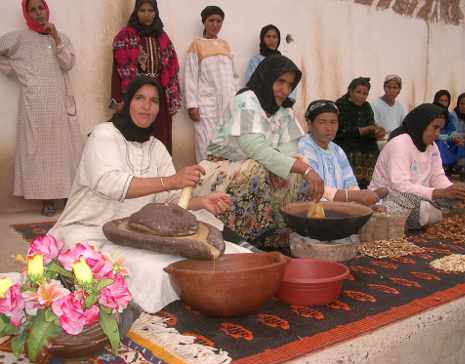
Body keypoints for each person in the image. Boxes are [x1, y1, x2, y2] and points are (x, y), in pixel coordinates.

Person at [49, 77, 248, 313]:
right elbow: (110, 184)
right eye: (139, 98)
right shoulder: (103, 134)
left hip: (136, 232)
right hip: (88, 230)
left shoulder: (157, 147)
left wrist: (200, 201)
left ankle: (247, 256)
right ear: (127, 103)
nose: (147, 106)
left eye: (154, 101)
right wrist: (171, 181)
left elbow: (170, 200)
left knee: (199, 245)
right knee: (154, 272)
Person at [193, 55, 324, 247]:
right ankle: (246, 237)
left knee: (297, 169)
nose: (284, 90)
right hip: (219, 169)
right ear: (267, 77)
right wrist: (302, 169)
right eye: (280, 81)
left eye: (289, 85)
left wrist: (300, 168)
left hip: (262, 165)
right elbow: (254, 147)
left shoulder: (284, 109)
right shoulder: (246, 100)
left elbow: (290, 149)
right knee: (259, 169)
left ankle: (280, 233)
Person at [0, 0, 83, 216]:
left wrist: (55, 38)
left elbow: (67, 64)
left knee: (64, 151)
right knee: (39, 152)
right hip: (35, 105)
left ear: (47, 9)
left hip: (60, 102)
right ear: (26, 13)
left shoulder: (61, 38)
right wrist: (17, 71)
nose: (38, 13)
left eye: (41, 8)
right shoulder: (19, 38)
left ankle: (66, 196)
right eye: (33, 10)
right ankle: (46, 200)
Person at [369, 103, 465, 230]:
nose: (437, 134)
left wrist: (453, 190)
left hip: (420, 198)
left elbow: (437, 177)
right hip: (390, 198)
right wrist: (437, 193)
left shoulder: (432, 146)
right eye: (434, 127)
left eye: (440, 129)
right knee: (419, 209)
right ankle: (427, 216)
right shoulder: (400, 143)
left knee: (461, 198)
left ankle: (429, 215)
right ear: (421, 124)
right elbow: (400, 186)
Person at [112, 0, 181, 153]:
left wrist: (173, 98)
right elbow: (118, 69)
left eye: (150, 10)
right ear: (136, 12)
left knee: (161, 136)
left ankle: (163, 174)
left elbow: (172, 69)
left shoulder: (163, 38)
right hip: (136, 93)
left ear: (155, 12)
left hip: (159, 95)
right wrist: (118, 99)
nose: (147, 14)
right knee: (137, 135)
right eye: (142, 10)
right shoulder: (125, 36)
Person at [298, 99, 385, 205]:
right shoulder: (304, 146)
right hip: (312, 209)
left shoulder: (337, 149)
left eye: (333, 122)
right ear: (310, 124)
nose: (329, 128)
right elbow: (315, 189)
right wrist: (354, 196)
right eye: (322, 122)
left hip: (340, 207)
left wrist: (364, 201)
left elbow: (351, 184)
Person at [183, 5, 238, 163]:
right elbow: (190, 76)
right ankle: (204, 182)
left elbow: (234, 76)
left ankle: (223, 182)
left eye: (219, 21)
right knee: (205, 143)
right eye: (211, 20)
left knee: (227, 142)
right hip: (206, 104)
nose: (215, 24)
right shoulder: (197, 45)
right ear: (204, 22)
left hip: (228, 102)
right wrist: (192, 105)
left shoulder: (225, 45)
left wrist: (236, 100)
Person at [334, 77, 386, 188]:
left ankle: (367, 187)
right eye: (358, 92)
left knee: (373, 150)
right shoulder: (340, 105)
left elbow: (371, 126)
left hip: (364, 143)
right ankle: (350, 188)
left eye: (365, 94)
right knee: (351, 150)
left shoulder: (367, 107)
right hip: (344, 142)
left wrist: (377, 132)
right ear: (350, 91)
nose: (361, 96)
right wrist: (365, 130)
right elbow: (340, 131)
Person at [244, 24, 297, 101]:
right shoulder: (255, 61)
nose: (271, 40)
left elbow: (292, 84)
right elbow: (250, 83)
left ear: (278, 40)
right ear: (262, 39)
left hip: (281, 103)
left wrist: (288, 102)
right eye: (268, 36)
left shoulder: (284, 62)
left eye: (274, 37)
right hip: (261, 103)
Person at [432, 90, 465, 173]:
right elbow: (434, 135)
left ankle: (459, 166)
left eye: (446, 101)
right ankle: (443, 166)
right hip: (435, 140)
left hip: (447, 140)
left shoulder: (448, 115)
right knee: (440, 143)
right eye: (441, 100)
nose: (443, 103)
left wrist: (456, 137)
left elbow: (452, 130)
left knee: (460, 142)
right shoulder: (431, 112)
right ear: (436, 100)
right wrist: (449, 137)